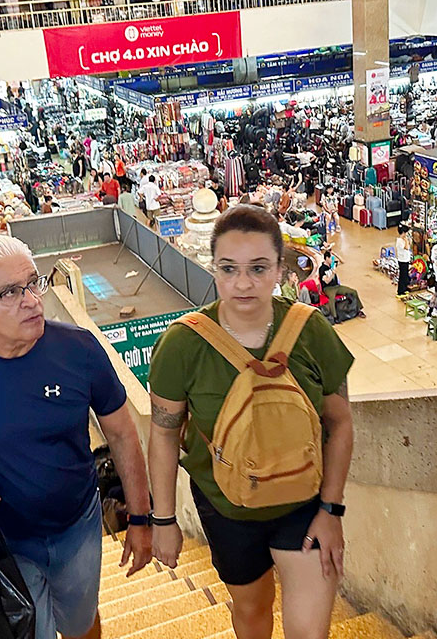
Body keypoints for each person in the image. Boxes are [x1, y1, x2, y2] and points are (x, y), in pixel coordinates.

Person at [0, 236, 154, 639]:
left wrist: (140, 519)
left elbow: (122, 434)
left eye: (33, 283)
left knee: (82, 621)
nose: (33, 300)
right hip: (0, 542)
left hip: (77, 527)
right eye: (9, 293)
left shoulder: (79, 350)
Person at [147, 205, 355, 639]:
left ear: (280, 269)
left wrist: (332, 509)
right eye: (229, 268)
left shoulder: (310, 330)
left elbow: (340, 422)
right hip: (227, 508)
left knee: (310, 632)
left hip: (304, 504)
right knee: (252, 608)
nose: (243, 283)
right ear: (214, 269)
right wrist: (164, 519)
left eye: (258, 268)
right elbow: (164, 434)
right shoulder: (182, 345)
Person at [395, 225, 413, 296]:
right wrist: (406, 240)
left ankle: (405, 288)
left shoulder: (403, 240)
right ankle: (400, 291)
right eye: (405, 233)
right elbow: (406, 247)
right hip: (402, 260)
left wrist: (408, 240)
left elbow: (409, 245)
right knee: (402, 276)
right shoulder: (399, 241)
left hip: (406, 259)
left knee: (405, 274)